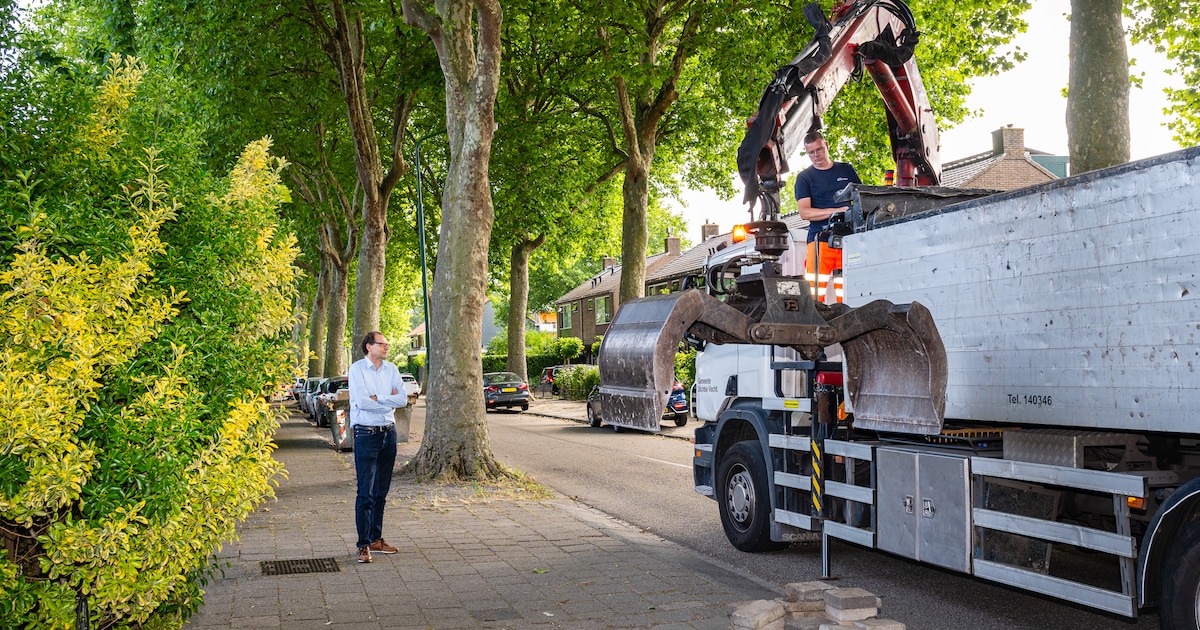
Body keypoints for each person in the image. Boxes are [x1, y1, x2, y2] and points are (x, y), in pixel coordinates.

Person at [348, 331, 408, 563]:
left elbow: (402, 400)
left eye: (387, 344)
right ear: (368, 346)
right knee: (366, 493)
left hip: (388, 435)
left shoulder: (391, 369)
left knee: (381, 492)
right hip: (366, 434)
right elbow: (361, 402)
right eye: (382, 344)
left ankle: (376, 539)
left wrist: (377, 399)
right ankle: (363, 545)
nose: (386, 347)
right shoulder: (357, 370)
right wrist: (386, 399)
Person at [794, 130, 861, 303]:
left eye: (819, 150)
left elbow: (861, 198)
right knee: (815, 294)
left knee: (849, 292)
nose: (816, 155)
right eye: (811, 153)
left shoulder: (846, 170)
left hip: (848, 240)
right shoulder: (804, 178)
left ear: (826, 146)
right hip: (820, 241)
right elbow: (804, 212)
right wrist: (835, 212)